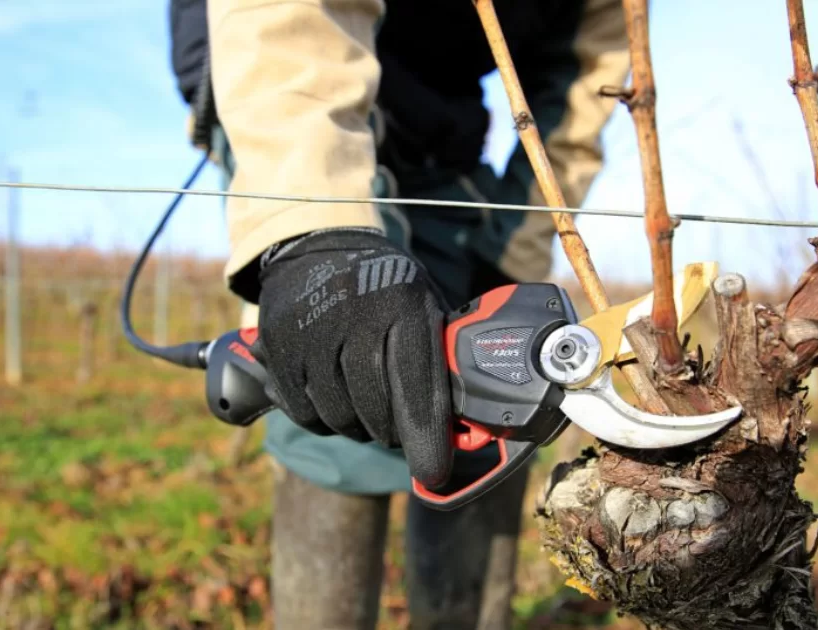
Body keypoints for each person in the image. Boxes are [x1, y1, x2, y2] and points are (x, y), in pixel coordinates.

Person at [169, 0, 633, 627]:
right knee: (342, 377)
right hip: (280, 72)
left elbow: (586, 72)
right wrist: (314, 223)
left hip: (443, 126)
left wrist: (511, 250)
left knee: (493, 424)